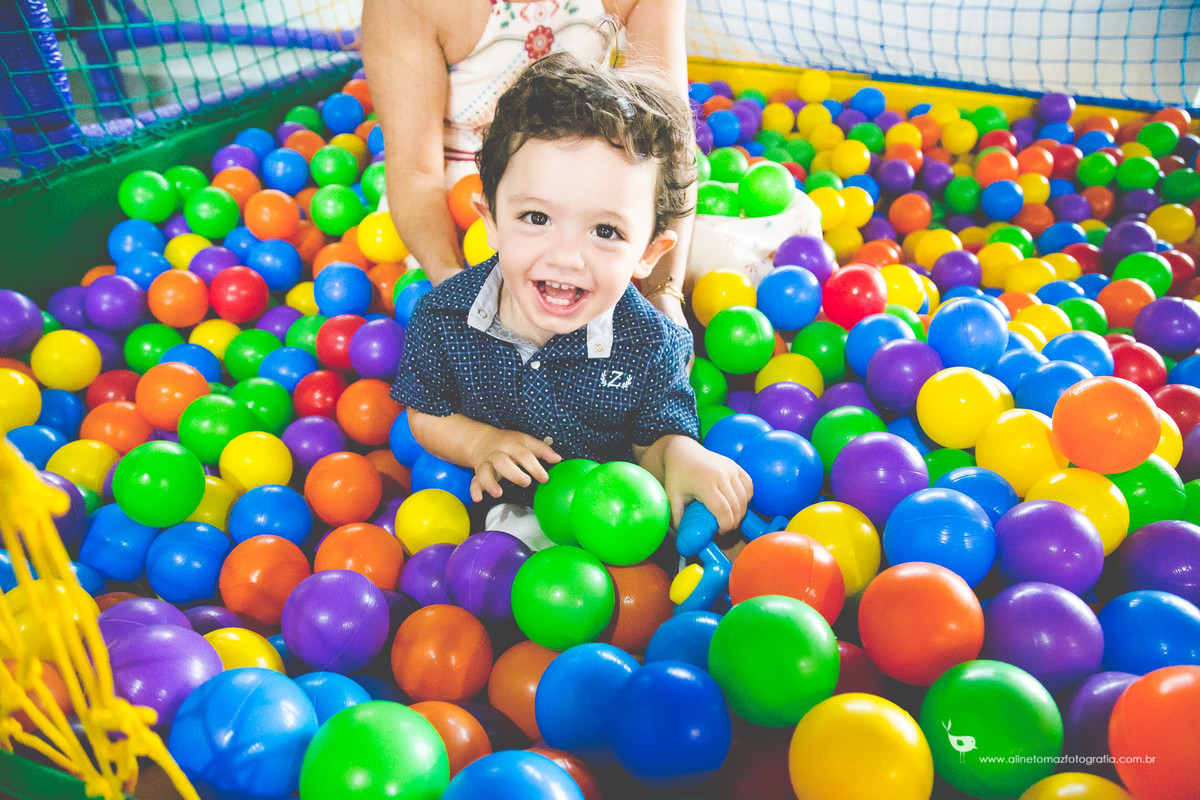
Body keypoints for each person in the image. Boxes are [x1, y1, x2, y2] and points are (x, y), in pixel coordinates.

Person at [389, 52, 752, 549]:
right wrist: (480, 443)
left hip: (610, 523)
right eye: (536, 218)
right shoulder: (445, 317)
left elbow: (655, 446)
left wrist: (681, 457)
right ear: (490, 220)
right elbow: (425, 412)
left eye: (605, 231)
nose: (565, 257)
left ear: (648, 253)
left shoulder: (651, 345)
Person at [360, 0, 694, 328]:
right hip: (455, 207)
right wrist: (453, 282)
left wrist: (664, 292)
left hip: (592, 199)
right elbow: (414, 169)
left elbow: (668, 142)